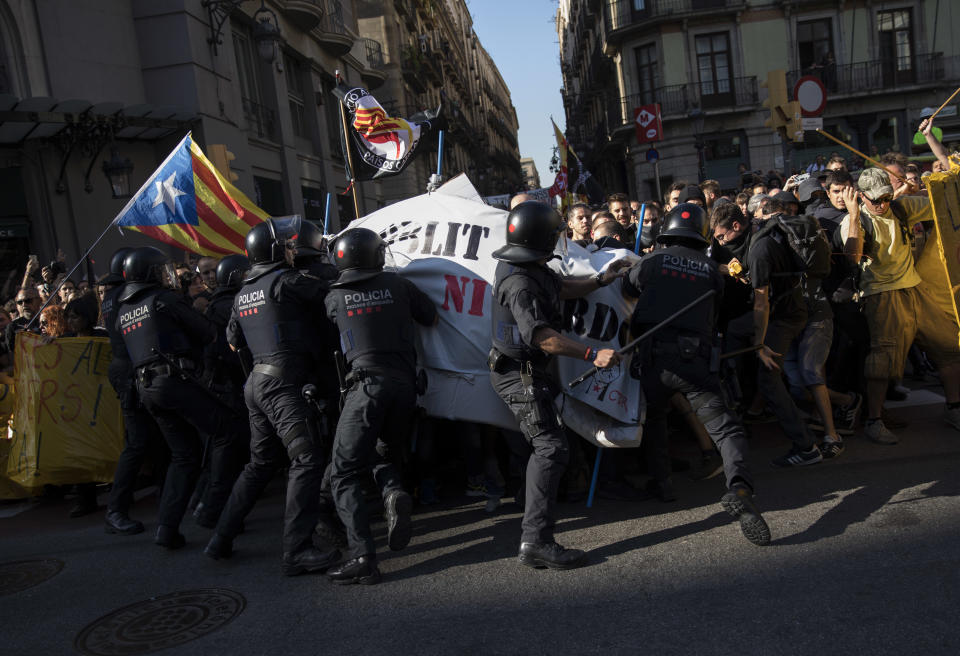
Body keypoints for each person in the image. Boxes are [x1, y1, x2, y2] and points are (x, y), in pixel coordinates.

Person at [488, 201, 629, 570]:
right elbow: (541, 337)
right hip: (519, 373)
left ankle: (534, 528)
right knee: (550, 448)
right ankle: (536, 541)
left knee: (547, 448)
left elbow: (562, 287)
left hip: (529, 371)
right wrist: (591, 353)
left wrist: (602, 280)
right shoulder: (519, 281)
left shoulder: (530, 266)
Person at [622, 203, 770, 545]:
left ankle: (664, 485)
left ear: (667, 234)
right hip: (696, 361)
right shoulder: (710, 270)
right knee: (725, 428)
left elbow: (628, 291)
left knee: (655, 420)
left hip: (655, 359)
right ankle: (741, 488)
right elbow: (714, 310)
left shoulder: (652, 261)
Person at [205, 217, 339, 576]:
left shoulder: (243, 291)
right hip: (281, 385)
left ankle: (221, 537)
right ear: (276, 250)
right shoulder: (286, 282)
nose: (294, 250)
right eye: (288, 245)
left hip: (255, 384)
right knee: (307, 460)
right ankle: (296, 550)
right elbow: (335, 295)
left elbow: (234, 340)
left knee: (261, 463)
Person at [323, 227, 438, 585]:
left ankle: (362, 557)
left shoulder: (333, 297)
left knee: (343, 473)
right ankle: (393, 492)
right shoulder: (399, 285)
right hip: (404, 388)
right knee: (383, 453)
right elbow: (430, 316)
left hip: (365, 390)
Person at [838, 168, 960, 443]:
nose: (882, 205)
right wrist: (856, 215)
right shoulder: (853, 220)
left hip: (915, 288)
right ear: (861, 197)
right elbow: (852, 258)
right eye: (875, 200)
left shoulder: (901, 207)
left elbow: (943, 206)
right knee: (882, 361)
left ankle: (954, 407)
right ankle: (874, 419)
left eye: (886, 198)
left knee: (949, 347)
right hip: (883, 295)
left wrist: (948, 181)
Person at [116, 246, 225, 549]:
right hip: (174, 381)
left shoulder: (124, 310)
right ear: (152, 273)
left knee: (184, 455)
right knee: (227, 433)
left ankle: (167, 527)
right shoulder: (163, 300)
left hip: (146, 389)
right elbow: (206, 332)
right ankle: (215, 509)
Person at [100, 248, 161, 536]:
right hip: (131, 370)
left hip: (126, 369)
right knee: (137, 442)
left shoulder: (110, 298)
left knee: (155, 433)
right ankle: (116, 509)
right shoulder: (125, 295)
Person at [192, 254, 251, 529]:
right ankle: (211, 509)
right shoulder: (226, 305)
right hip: (226, 385)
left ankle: (208, 506)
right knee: (229, 450)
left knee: (226, 449)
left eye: (214, 271)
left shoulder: (218, 303)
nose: (210, 276)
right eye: (205, 272)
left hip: (224, 384)